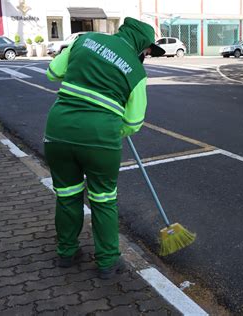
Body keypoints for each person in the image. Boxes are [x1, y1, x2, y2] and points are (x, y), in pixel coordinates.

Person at [44, 17, 165, 279]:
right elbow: (133, 122)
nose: (146, 55)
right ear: (141, 44)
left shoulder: (83, 40)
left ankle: (66, 253)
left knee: (66, 195)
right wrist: (112, 129)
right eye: (147, 50)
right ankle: (107, 263)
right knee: (103, 199)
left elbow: (53, 72)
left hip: (58, 132)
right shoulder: (136, 71)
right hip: (100, 139)